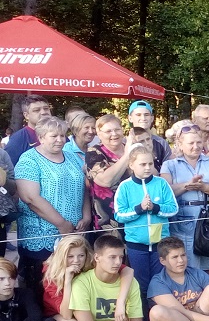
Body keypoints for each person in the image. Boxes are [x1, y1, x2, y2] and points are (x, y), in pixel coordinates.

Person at [49, 234, 183, 321]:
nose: (118, 262)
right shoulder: (81, 282)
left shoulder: (129, 281)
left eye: (121, 257)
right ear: (96, 257)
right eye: (112, 257)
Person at [14, 116, 91, 285]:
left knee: (72, 282)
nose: (60, 140)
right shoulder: (28, 160)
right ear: (41, 137)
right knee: (41, 286)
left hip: (73, 233)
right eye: (54, 136)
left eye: (63, 135)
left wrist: (86, 216)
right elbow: (30, 198)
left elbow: (84, 187)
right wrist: (61, 223)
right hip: (41, 237)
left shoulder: (73, 157)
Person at [160, 124, 209, 285]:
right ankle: (196, 307)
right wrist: (187, 185)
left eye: (198, 142)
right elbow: (165, 193)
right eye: (191, 143)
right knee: (190, 267)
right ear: (180, 144)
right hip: (184, 220)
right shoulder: (169, 165)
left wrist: (205, 187)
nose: (196, 146)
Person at [113, 146, 178, 300]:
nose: (148, 167)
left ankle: (161, 317)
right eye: (143, 164)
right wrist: (139, 209)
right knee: (140, 284)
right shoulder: (125, 186)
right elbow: (119, 215)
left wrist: (155, 208)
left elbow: (173, 208)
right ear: (131, 165)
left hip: (160, 244)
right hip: (136, 245)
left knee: (160, 283)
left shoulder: (161, 184)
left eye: (150, 163)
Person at [86, 114, 137, 235]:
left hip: (137, 214)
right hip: (109, 219)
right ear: (99, 134)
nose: (114, 134)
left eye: (117, 129)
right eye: (108, 131)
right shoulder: (94, 152)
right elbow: (105, 181)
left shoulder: (131, 148)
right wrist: (127, 155)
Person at [6, 94, 51, 165]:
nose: (43, 112)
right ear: (26, 115)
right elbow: (9, 171)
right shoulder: (17, 140)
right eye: (36, 110)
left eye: (46, 108)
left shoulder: (60, 136)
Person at [128, 100, 169, 170]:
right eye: (138, 115)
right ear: (130, 118)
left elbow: (169, 169)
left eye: (146, 115)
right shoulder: (124, 143)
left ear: (152, 118)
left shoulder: (161, 143)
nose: (143, 118)